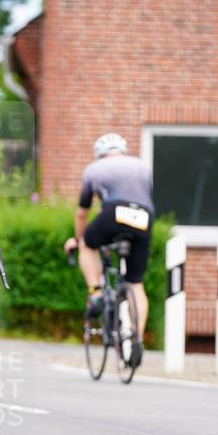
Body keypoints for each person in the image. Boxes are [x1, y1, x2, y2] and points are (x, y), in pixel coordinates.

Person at [64, 133, 154, 367]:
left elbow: (82, 212)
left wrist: (78, 238)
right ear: (122, 150)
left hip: (114, 212)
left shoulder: (94, 169)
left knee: (87, 244)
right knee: (136, 283)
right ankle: (137, 337)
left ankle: (96, 292)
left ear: (99, 153)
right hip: (144, 217)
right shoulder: (142, 166)